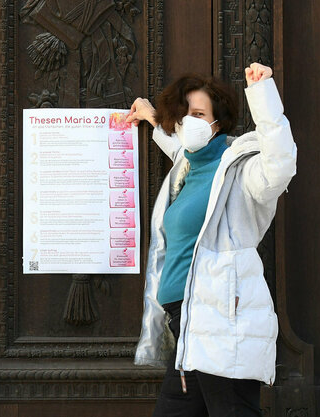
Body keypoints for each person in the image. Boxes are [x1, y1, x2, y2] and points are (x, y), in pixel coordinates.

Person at [126, 63, 296, 416]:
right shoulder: (186, 166)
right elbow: (178, 146)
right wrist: (151, 118)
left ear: (218, 121)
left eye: (200, 113)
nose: (191, 121)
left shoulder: (240, 168)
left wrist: (263, 94)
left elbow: (280, 165)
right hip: (185, 322)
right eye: (184, 114)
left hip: (219, 318)